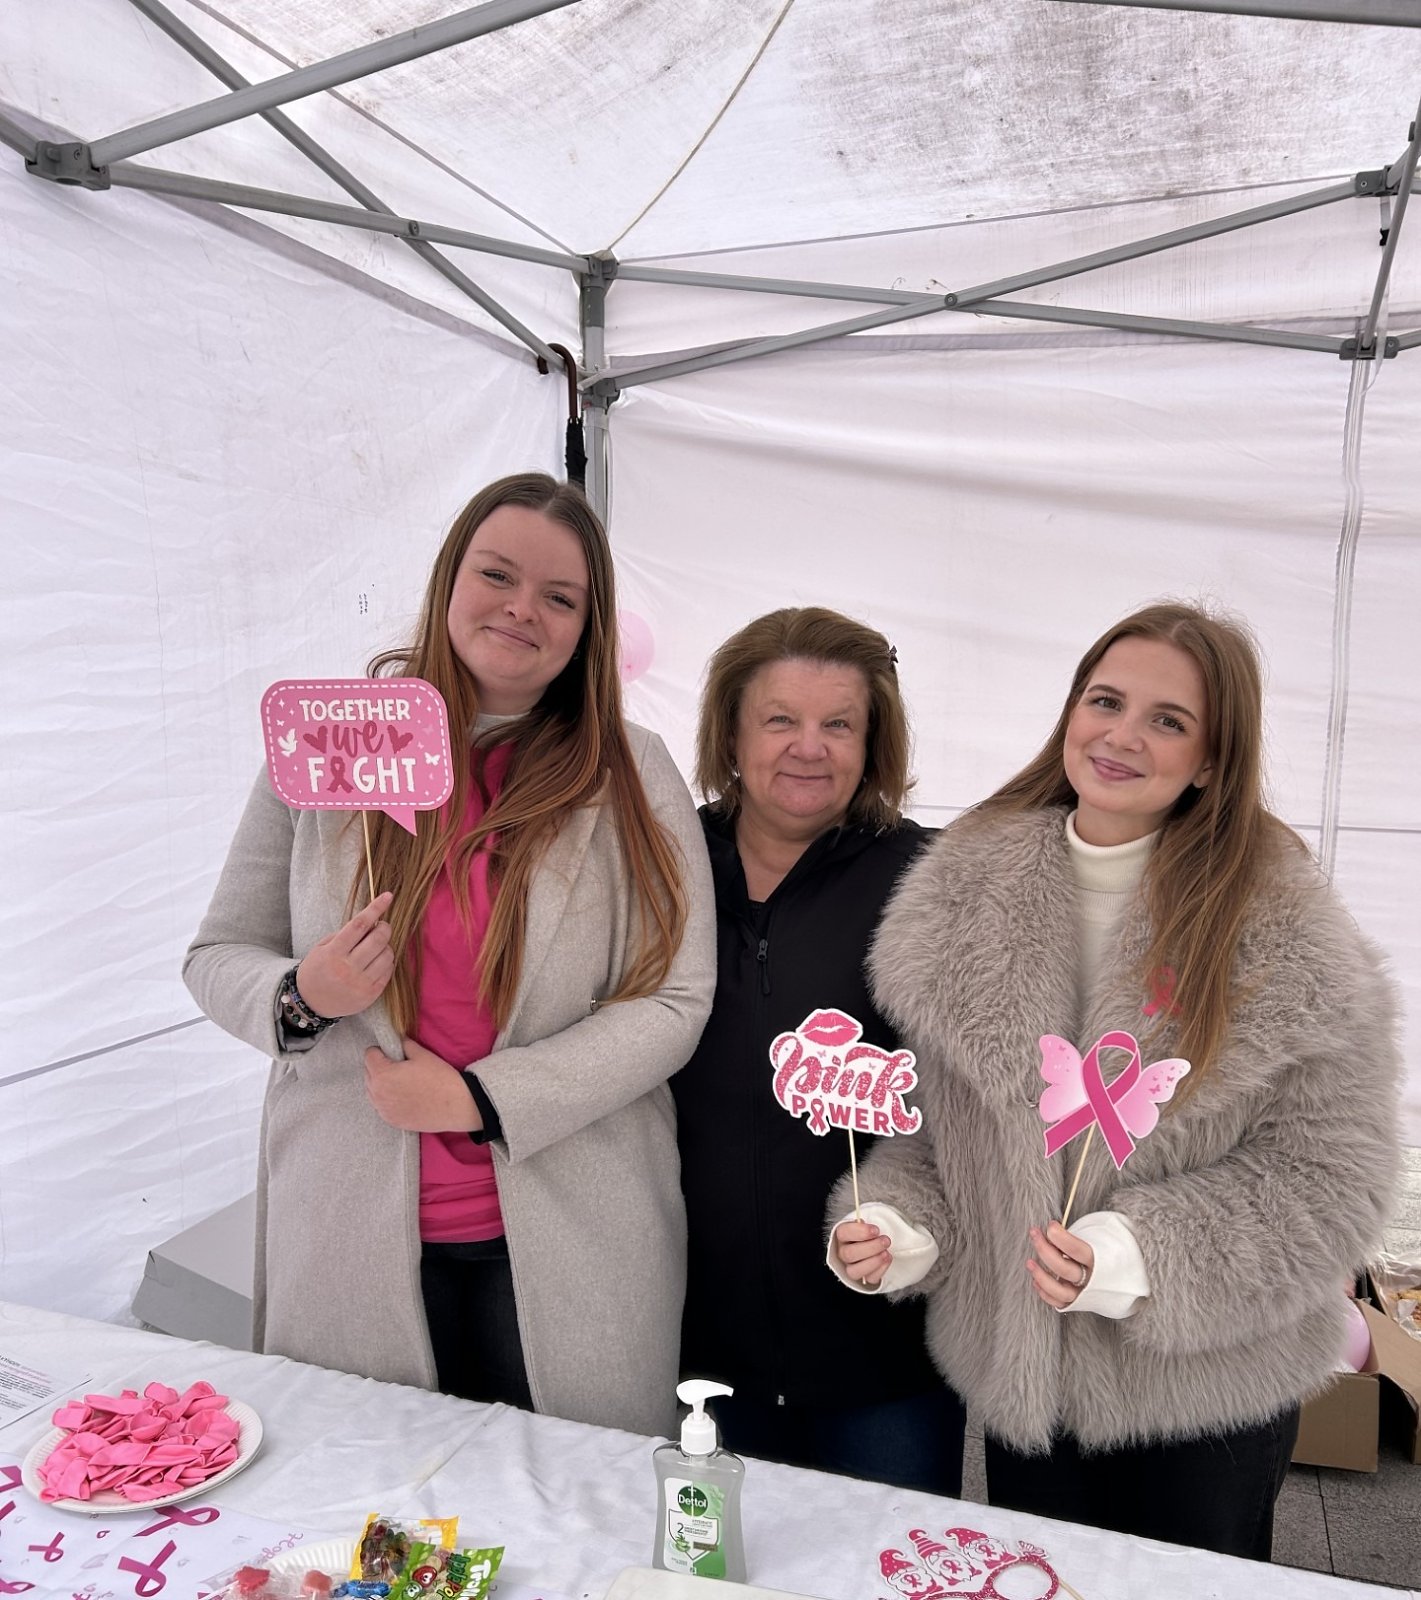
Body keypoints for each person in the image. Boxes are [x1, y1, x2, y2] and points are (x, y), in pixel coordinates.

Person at [831, 602, 1400, 1558]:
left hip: (1204, 1387)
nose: (1121, 735)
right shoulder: (960, 898)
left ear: (1211, 760)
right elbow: (936, 1136)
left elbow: (1330, 1182)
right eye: (1105, 701)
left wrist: (1138, 1255)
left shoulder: (1284, 932)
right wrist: (901, 1223)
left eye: (1167, 720)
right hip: (1030, 1380)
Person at [185, 473, 714, 1435]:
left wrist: (480, 1101)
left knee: (566, 1502)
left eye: (560, 596)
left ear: (589, 627)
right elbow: (219, 952)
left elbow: (674, 1000)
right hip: (349, 1232)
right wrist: (304, 994)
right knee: (373, 1502)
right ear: (449, 579)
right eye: (497, 575)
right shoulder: (323, 742)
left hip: (571, 1233)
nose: (521, 609)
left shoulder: (630, 771)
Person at [674, 607, 966, 1493]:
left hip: (883, 1355)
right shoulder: (662, 865)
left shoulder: (934, 881)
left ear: (872, 743)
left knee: (889, 1559)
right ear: (730, 733)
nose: (809, 747)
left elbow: (980, 1102)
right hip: (698, 1351)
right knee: (719, 1563)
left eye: (838, 723)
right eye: (779, 720)